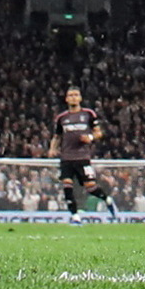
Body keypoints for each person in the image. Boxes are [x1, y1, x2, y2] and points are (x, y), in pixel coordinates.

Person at [52, 86, 107, 222]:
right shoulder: (61, 118)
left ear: (80, 98)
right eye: (70, 95)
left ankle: (107, 199)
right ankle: (75, 216)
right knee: (67, 185)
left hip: (82, 157)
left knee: (91, 187)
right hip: (66, 157)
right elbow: (57, 136)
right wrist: (52, 148)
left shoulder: (89, 114)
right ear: (66, 99)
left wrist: (91, 138)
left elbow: (98, 132)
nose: (73, 97)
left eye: (76, 95)